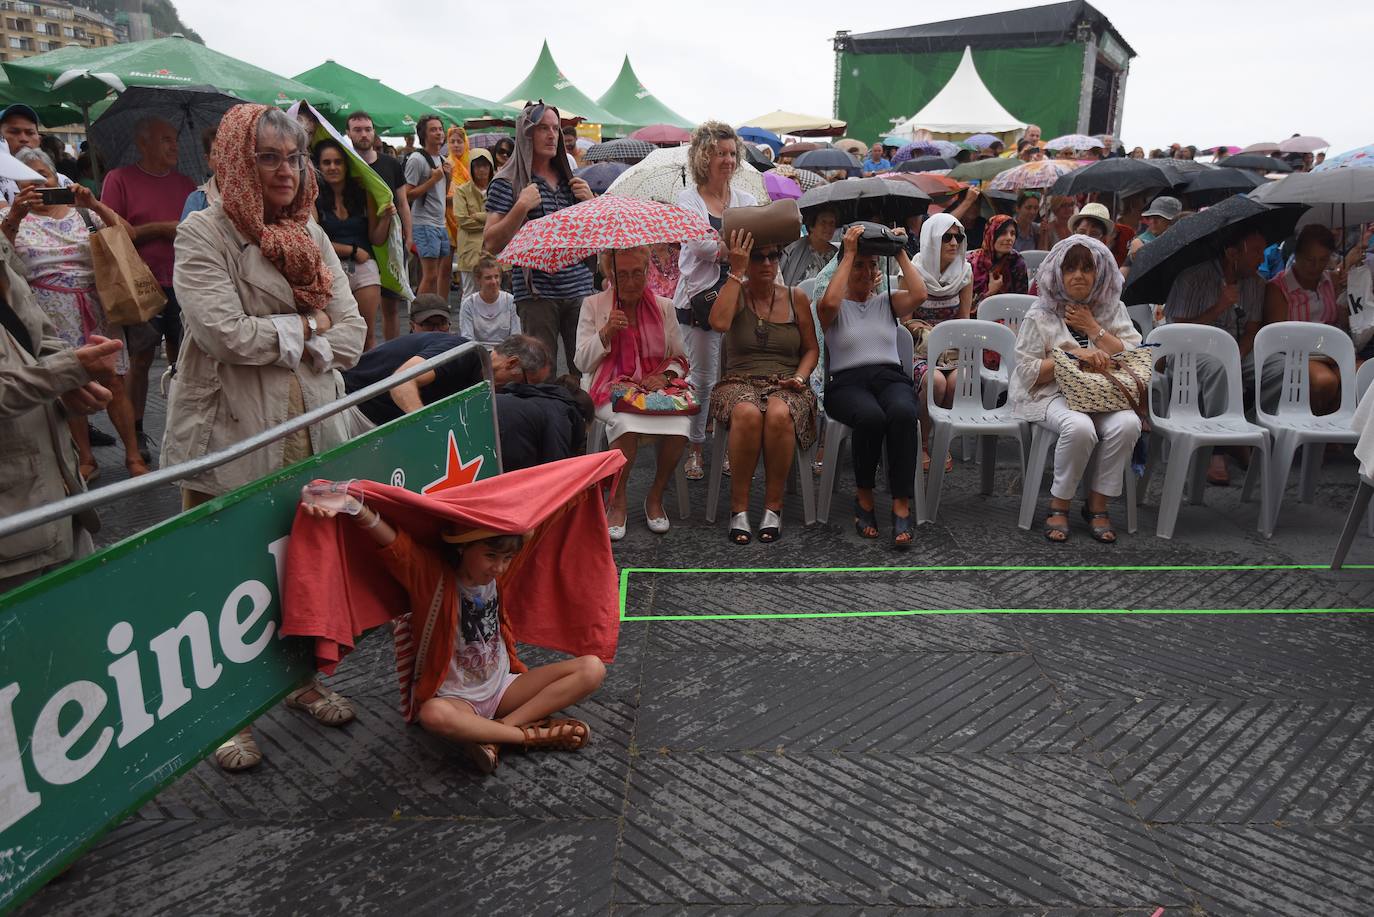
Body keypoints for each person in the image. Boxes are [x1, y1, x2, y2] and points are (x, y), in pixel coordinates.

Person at [167, 103, 367, 771]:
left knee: (300, 564)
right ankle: (230, 710)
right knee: (229, 572)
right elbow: (225, 333)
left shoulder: (307, 228)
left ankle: (299, 682)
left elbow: (354, 330)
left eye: (293, 157)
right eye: (268, 158)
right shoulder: (203, 233)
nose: (285, 171)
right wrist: (306, 331)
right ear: (234, 161)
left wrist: (300, 335)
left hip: (309, 426)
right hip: (233, 428)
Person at [299, 494, 604, 774]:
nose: (499, 567)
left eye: (507, 559)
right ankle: (526, 736)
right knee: (433, 715)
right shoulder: (432, 579)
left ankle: (496, 734)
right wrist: (355, 507)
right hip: (458, 701)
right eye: (490, 556)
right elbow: (396, 546)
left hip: (502, 688)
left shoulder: (499, 574)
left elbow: (542, 519)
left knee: (592, 668)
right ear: (462, 547)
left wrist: (582, 484)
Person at [1, 148, 146, 481]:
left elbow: (129, 235)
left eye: (44, 178)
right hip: (47, 313)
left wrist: (93, 204)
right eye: (28, 181)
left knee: (115, 383)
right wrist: (14, 218)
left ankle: (133, 455)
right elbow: (3, 260)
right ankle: (86, 458)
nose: (39, 186)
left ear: (57, 178)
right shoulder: (11, 218)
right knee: (69, 383)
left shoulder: (81, 214)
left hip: (97, 305)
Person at [0, 234, 123, 593]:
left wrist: (76, 380)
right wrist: (65, 372)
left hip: (61, 500)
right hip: (12, 535)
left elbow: (37, 335)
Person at [1009, 235, 1142, 544]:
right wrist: (1070, 357)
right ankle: (1060, 503)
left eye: (1087, 268)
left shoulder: (1112, 309)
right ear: (1058, 273)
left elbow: (1132, 357)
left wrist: (1092, 327)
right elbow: (1028, 372)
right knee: (1079, 426)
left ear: (1101, 273)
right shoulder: (1040, 313)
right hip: (1051, 394)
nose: (1079, 275)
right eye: (1070, 268)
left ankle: (1097, 504)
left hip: (1102, 394)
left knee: (1128, 424)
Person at [817, 224, 928, 547]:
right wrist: (849, 254)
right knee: (870, 417)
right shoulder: (833, 306)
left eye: (871, 266)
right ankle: (864, 495)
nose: (866, 273)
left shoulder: (886, 302)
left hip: (888, 376)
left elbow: (920, 294)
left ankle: (900, 503)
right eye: (859, 267)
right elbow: (826, 305)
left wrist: (899, 250)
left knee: (904, 411)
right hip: (847, 382)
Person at [707, 232, 818, 544]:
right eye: (759, 257)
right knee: (747, 413)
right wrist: (736, 272)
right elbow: (717, 323)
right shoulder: (736, 292)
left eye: (774, 256)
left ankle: (774, 506)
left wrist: (800, 377)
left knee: (780, 413)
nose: (768, 263)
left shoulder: (797, 297)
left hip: (787, 381)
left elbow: (811, 349)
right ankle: (739, 509)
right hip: (739, 381)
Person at [575, 246, 690, 540]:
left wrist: (664, 375)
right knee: (624, 424)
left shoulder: (664, 307)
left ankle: (655, 496)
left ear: (646, 271)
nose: (631, 281)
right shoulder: (594, 305)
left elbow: (680, 358)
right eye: (622, 274)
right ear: (610, 275)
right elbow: (581, 362)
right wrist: (606, 333)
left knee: (681, 426)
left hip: (653, 389)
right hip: (608, 387)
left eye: (637, 273)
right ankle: (618, 499)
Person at [102, 116, 197, 461]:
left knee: (185, 359)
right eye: (165, 139)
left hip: (184, 280)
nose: (174, 146)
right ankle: (137, 432)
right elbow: (112, 232)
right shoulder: (120, 179)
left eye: (174, 139)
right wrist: (160, 228)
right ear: (143, 144)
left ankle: (183, 425)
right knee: (140, 359)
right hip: (140, 283)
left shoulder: (186, 183)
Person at [672, 121, 758, 479]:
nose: (727, 159)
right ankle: (695, 449)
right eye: (719, 153)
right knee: (703, 379)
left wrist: (728, 250)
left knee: (734, 376)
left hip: (738, 297)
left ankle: (725, 446)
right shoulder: (686, 199)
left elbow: (754, 240)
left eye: (731, 153)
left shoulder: (746, 200)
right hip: (698, 303)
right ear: (703, 157)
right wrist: (733, 250)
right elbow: (698, 245)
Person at [484, 102, 595, 378]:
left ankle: (580, 423)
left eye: (555, 128)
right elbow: (490, 243)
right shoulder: (507, 181)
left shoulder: (571, 180)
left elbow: (591, 238)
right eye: (543, 128)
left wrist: (590, 204)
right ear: (526, 133)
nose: (551, 135)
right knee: (539, 375)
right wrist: (520, 206)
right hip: (537, 294)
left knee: (584, 373)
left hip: (579, 289)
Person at [343, 301, 548, 432]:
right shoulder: (463, 352)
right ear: (512, 363)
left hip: (373, 417)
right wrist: (427, 431)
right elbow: (402, 382)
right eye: (525, 384)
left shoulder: (477, 374)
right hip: (350, 405)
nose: (519, 393)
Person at [1163, 227, 1267, 485]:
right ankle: (1218, 448)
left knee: (1275, 366)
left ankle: (1256, 428)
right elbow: (1179, 330)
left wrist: (1238, 355)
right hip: (1190, 351)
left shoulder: (1255, 283)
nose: (1262, 259)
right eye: (1255, 251)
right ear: (1233, 253)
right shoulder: (1193, 278)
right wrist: (1220, 305)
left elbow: (1252, 328)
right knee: (1219, 367)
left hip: (1234, 350)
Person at [313, 139, 395, 350]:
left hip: (364, 269)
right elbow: (313, 240)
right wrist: (352, 250)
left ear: (346, 165)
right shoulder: (313, 198)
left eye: (338, 162)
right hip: (329, 270)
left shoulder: (361, 193)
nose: (332, 167)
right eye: (327, 162)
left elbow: (376, 239)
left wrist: (386, 217)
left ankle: (370, 381)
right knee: (335, 334)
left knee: (366, 336)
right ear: (318, 166)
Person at [1262, 224, 1348, 415]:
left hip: (1331, 351)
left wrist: (1345, 295)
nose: (1316, 266)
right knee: (1325, 381)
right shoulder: (1278, 288)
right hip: (1296, 354)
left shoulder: (1330, 281)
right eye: (1310, 260)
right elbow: (1277, 338)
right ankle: (1311, 433)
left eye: (1323, 260)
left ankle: (1330, 435)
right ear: (1297, 255)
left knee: (1358, 377)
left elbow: (1340, 321)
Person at [911, 213, 973, 472]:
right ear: (931, 240)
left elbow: (964, 319)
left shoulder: (964, 272)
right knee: (935, 382)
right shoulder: (914, 270)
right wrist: (928, 331)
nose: (953, 243)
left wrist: (944, 333)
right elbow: (905, 321)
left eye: (958, 237)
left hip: (953, 350)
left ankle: (941, 442)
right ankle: (922, 443)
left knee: (958, 380)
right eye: (946, 237)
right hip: (920, 350)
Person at [347, 111, 413, 342]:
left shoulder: (391, 164)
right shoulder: (346, 163)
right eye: (357, 129)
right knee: (356, 310)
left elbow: (403, 202)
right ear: (348, 133)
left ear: (373, 132)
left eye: (367, 129)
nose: (363, 134)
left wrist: (408, 234)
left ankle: (391, 356)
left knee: (391, 307)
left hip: (389, 241)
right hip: (356, 241)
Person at [496, 373, 593, 471]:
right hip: (504, 429)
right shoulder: (561, 414)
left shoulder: (541, 398)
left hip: (490, 412)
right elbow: (555, 470)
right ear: (583, 421)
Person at [404, 115, 453, 297]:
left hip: (440, 223)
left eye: (440, 129)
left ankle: (433, 312)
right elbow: (407, 194)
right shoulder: (417, 159)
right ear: (423, 134)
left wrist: (447, 178)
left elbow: (442, 192)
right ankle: (418, 319)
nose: (439, 132)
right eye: (433, 129)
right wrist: (433, 180)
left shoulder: (441, 159)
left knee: (441, 274)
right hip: (424, 223)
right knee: (430, 275)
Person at [452, 149, 493, 299]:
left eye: (485, 165)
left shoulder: (497, 188)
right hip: (470, 248)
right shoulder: (462, 191)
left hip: (494, 247)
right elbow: (462, 220)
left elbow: (505, 216)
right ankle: (467, 323)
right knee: (470, 292)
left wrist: (480, 216)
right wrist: (491, 220)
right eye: (477, 166)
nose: (482, 170)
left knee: (494, 290)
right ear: (471, 167)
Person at [968, 214, 1029, 307]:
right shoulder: (972, 262)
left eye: (1013, 233)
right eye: (1003, 233)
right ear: (991, 234)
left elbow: (1021, 303)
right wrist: (991, 292)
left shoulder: (1017, 262)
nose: (1009, 238)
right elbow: (966, 308)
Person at [459, 255, 521, 344]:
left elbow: (516, 336)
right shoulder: (469, 304)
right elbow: (467, 338)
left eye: (496, 277)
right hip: (477, 352)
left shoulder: (511, 301)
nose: (494, 282)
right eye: (488, 278)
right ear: (478, 280)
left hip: (505, 352)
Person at [780, 205, 838, 286]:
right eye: (823, 222)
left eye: (832, 223)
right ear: (811, 226)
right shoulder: (793, 250)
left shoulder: (837, 254)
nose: (828, 227)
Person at [443, 125, 472, 252]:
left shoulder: (472, 163)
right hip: (448, 218)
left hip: (469, 217)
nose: (456, 145)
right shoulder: (446, 164)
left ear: (465, 143)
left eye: (459, 141)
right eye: (452, 142)